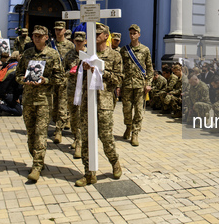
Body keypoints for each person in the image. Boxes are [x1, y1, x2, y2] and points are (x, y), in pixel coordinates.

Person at [75, 24, 123, 186]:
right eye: (93, 33)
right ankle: (89, 173)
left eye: (98, 33)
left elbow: (119, 79)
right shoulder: (86, 55)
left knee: (105, 136)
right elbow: (76, 77)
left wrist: (100, 71)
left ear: (106, 35)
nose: (95, 36)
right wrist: (83, 68)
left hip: (104, 102)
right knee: (86, 137)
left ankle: (114, 162)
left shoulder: (115, 56)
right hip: (87, 102)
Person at [15, 25, 64, 183]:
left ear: (46, 38)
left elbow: (60, 78)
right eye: (34, 35)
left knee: (41, 133)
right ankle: (38, 159)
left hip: (43, 100)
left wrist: (46, 80)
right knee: (30, 133)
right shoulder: (27, 54)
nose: (36, 38)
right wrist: (23, 80)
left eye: (40, 36)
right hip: (28, 99)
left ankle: (36, 166)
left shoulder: (52, 54)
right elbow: (18, 74)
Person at [120, 24, 153, 147]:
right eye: (131, 33)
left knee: (139, 111)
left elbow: (149, 68)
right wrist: (119, 85)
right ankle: (128, 126)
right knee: (127, 110)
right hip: (127, 85)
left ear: (139, 34)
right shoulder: (124, 50)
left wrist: (148, 83)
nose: (132, 35)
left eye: (135, 33)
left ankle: (135, 133)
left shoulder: (145, 50)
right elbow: (120, 68)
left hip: (140, 86)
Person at [62, 31, 86, 158]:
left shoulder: (89, 54)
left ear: (85, 42)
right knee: (74, 116)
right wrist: (69, 73)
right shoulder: (69, 55)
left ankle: (80, 142)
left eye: (81, 41)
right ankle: (76, 137)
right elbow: (62, 71)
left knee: (83, 116)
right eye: (76, 41)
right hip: (72, 89)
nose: (78, 43)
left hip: (84, 90)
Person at [50, 21, 74, 144]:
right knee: (54, 106)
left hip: (65, 79)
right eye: (56, 29)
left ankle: (59, 131)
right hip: (53, 79)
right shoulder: (50, 45)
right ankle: (57, 123)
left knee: (62, 105)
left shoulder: (70, 45)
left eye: (60, 29)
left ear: (65, 30)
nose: (58, 31)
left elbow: (74, 62)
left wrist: (68, 74)